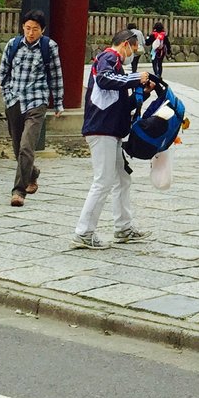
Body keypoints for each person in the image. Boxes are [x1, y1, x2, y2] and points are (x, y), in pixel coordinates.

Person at [73, 29, 152, 247]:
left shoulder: (116, 66)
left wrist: (143, 91)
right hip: (102, 129)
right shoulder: (108, 57)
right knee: (103, 181)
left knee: (121, 178)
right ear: (126, 43)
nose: (134, 52)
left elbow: (123, 104)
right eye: (134, 47)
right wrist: (136, 77)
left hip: (110, 130)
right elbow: (106, 80)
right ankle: (84, 232)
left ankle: (123, 227)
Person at [0, 10, 64, 207]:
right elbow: (3, 72)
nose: (31, 32)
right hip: (14, 100)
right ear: (23, 28)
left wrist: (58, 102)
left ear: (42, 30)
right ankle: (32, 172)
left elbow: (56, 75)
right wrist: (7, 95)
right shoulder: (13, 45)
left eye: (35, 29)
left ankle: (18, 191)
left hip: (37, 101)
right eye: (28, 28)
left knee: (27, 146)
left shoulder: (49, 47)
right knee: (18, 147)